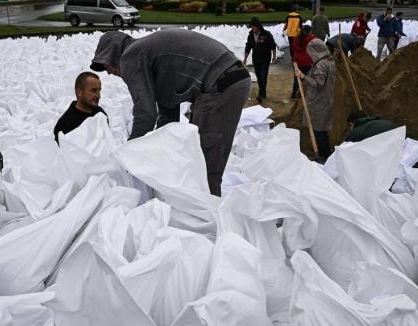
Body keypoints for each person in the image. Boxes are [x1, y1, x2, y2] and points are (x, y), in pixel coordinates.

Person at [90, 29, 251, 196]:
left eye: (105, 65)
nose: (108, 71)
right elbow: (168, 114)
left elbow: (145, 113)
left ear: (112, 53)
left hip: (221, 84)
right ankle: (204, 207)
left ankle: (208, 214)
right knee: (199, 156)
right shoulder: (149, 53)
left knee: (204, 163)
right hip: (233, 78)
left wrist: (129, 153)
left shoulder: (131, 56)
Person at [295, 38, 336, 160]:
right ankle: (327, 153)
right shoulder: (329, 61)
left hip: (319, 102)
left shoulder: (321, 65)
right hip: (324, 99)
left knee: (318, 130)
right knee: (322, 130)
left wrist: (303, 77)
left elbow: (318, 84)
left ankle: (324, 156)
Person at [53, 72, 107, 144]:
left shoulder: (100, 113)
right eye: (93, 90)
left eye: (99, 90)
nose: (98, 95)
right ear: (79, 92)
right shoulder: (65, 124)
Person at [244, 17, 277, 104]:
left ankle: (261, 94)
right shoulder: (250, 35)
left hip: (265, 58)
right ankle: (263, 92)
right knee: (259, 77)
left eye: (254, 26)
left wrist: (274, 56)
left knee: (263, 76)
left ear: (258, 26)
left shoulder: (266, 34)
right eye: (251, 26)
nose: (252, 28)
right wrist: (245, 58)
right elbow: (248, 47)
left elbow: (273, 45)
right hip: (256, 59)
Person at [291, 24, 316, 99]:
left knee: (297, 78)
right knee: (307, 78)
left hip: (297, 61)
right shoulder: (310, 39)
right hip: (307, 61)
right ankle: (304, 94)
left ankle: (294, 94)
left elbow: (293, 49)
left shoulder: (296, 38)